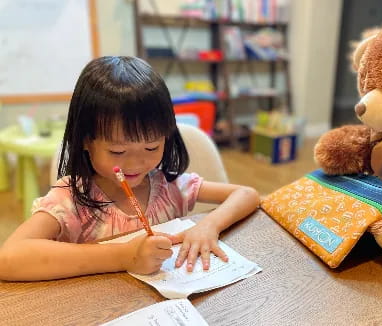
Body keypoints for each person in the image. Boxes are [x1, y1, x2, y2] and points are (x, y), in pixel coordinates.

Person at [0, 56, 259, 281]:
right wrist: (124, 257)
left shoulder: (170, 186)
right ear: (85, 141)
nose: (136, 164)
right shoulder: (70, 199)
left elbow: (247, 194)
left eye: (151, 148)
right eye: (118, 152)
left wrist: (208, 225)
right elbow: (9, 258)